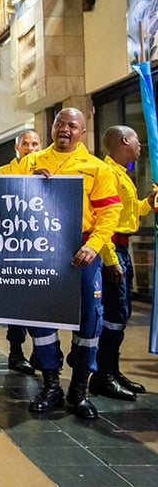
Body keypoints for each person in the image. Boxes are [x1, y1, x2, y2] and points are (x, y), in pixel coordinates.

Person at [17, 108, 122, 419]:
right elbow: (8, 198)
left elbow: (109, 214)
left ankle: (78, 387)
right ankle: (51, 383)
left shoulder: (97, 169)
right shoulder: (30, 162)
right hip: (41, 251)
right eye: (59, 124)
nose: (64, 129)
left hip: (82, 253)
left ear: (83, 132)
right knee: (40, 317)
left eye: (72, 126)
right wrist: (29, 184)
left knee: (90, 319)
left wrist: (94, 247)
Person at [89, 125, 153, 401]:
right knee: (114, 315)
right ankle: (103, 376)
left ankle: (112, 371)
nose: (140, 146)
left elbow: (127, 215)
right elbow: (104, 223)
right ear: (124, 141)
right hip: (112, 252)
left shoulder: (122, 174)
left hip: (122, 249)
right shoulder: (108, 175)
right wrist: (111, 260)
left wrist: (148, 203)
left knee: (121, 314)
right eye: (137, 141)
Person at [0, 130, 42, 375]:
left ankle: (40, 353)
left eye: (35, 144)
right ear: (16, 147)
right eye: (25, 144)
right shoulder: (3, 173)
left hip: (39, 249)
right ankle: (15, 351)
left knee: (38, 304)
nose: (30, 148)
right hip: (11, 247)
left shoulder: (46, 171)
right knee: (15, 303)